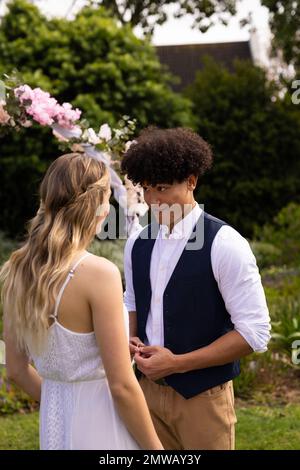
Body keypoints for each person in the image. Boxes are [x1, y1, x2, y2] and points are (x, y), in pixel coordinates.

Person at [0, 152, 163, 451]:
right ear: (97, 207)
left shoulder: (15, 270)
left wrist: (61, 398)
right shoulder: (99, 273)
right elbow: (123, 386)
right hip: (104, 424)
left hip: (55, 426)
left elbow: (16, 370)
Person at [121, 127, 271, 450]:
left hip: (203, 400)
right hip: (145, 395)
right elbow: (132, 300)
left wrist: (177, 363)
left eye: (162, 188)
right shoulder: (136, 243)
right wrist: (129, 339)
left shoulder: (225, 244)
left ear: (191, 181)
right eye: (146, 189)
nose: (153, 201)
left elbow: (255, 333)